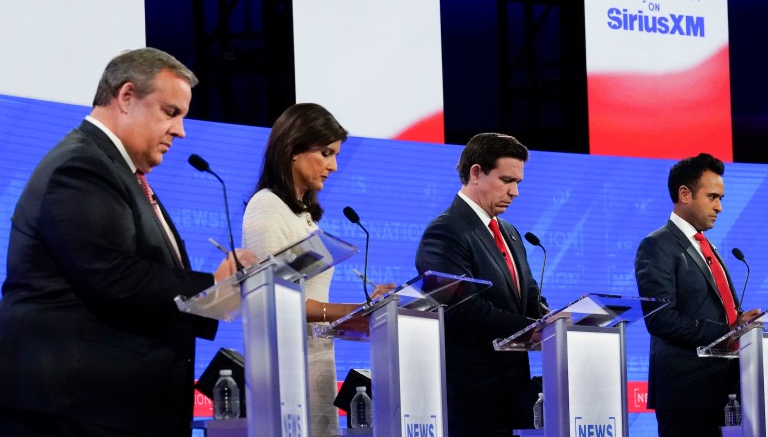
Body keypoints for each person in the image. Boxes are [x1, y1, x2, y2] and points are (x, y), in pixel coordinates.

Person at [0, 48, 256, 436]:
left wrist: (216, 294)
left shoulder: (114, 168)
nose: (181, 130)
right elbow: (113, 277)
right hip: (78, 407)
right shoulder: (81, 166)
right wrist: (212, 286)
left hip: (108, 405)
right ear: (126, 97)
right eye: (171, 112)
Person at [242, 103, 394, 436]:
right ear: (293, 149)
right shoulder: (267, 206)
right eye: (326, 153)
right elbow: (272, 302)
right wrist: (355, 311)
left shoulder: (303, 216)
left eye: (335, 155)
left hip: (315, 357)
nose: (334, 166)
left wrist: (368, 306)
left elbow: (308, 295)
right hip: (286, 367)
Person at [414, 132, 546, 436]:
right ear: (476, 173)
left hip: (513, 393)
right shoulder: (445, 231)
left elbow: (529, 297)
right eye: (506, 180)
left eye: (518, 183)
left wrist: (551, 322)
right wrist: (532, 329)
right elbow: (462, 308)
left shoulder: (510, 232)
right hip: (469, 396)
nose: (515, 192)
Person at [635, 153, 761, 437]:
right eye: (713, 197)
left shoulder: (708, 247)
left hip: (728, 387)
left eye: (721, 199)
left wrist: (740, 320)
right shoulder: (657, 245)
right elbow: (660, 318)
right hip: (686, 392)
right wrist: (728, 331)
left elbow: (716, 311)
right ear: (685, 194)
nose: (719, 207)